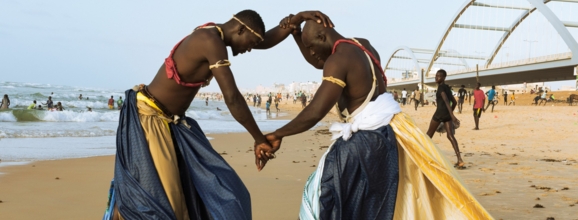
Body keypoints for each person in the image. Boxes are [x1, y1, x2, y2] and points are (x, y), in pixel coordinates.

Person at [102, 10, 334, 220]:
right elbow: (232, 97)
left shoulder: (217, 34)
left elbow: (265, 41)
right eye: (249, 43)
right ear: (240, 29)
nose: (249, 50)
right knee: (160, 201)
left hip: (171, 123)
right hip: (149, 120)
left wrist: (297, 19)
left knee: (219, 188)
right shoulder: (210, 41)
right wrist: (259, 139)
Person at [263, 19, 490, 219]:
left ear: (322, 36)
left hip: (363, 142)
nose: (311, 53)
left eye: (311, 47)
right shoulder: (363, 46)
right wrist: (297, 31)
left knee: (321, 196)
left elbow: (314, 112)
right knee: (372, 206)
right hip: (386, 135)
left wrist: (277, 134)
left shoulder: (337, 60)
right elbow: (318, 61)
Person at [426, 69, 464, 169]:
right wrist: (450, 114)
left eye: (438, 76)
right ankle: (459, 159)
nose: (436, 77)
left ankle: (422, 155)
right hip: (447, 115)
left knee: (428, 135)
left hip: (439, 114)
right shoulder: (447, 88)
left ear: (443, 78)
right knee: (450, 136)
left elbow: (446, 101)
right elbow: (454, 103)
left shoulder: (441, 88)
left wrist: (452, 116)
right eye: (436, 76)